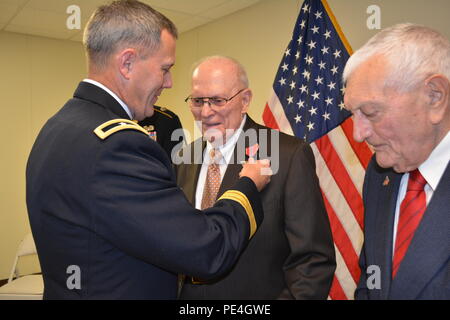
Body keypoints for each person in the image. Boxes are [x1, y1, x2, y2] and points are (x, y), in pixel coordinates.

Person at [25, 0, 271, 300]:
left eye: (217, 100)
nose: (168, 83)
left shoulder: (57, 127)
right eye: (165, 69)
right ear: (127, 63)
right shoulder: (119, 144)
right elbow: (207, 249)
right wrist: (247, 185)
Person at [176, 56, 336, 299]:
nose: (206, 112)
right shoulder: (184, 158)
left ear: (245, 100)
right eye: (198, 101)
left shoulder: (287, 155)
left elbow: (312, 260)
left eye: (218, 100)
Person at [343, 23, 450, 300]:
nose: (358, 134)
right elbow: (372, 279)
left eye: (371, 112)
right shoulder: (380, 175)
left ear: (435, 97)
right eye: (354, 114)